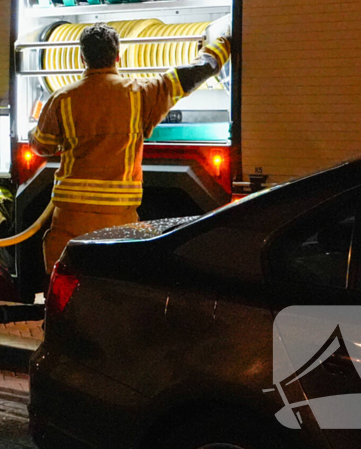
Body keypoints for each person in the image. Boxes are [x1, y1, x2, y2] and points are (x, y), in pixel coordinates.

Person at [29, 17, 232, 273]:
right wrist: (222, 35)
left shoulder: (62, 98)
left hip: (70, 220)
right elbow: (201, 69)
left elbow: (41, 146)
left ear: (83, 59)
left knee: (66, 292)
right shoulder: (141, 94)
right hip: (119, 222)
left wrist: (33, 133)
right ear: (118, 58)